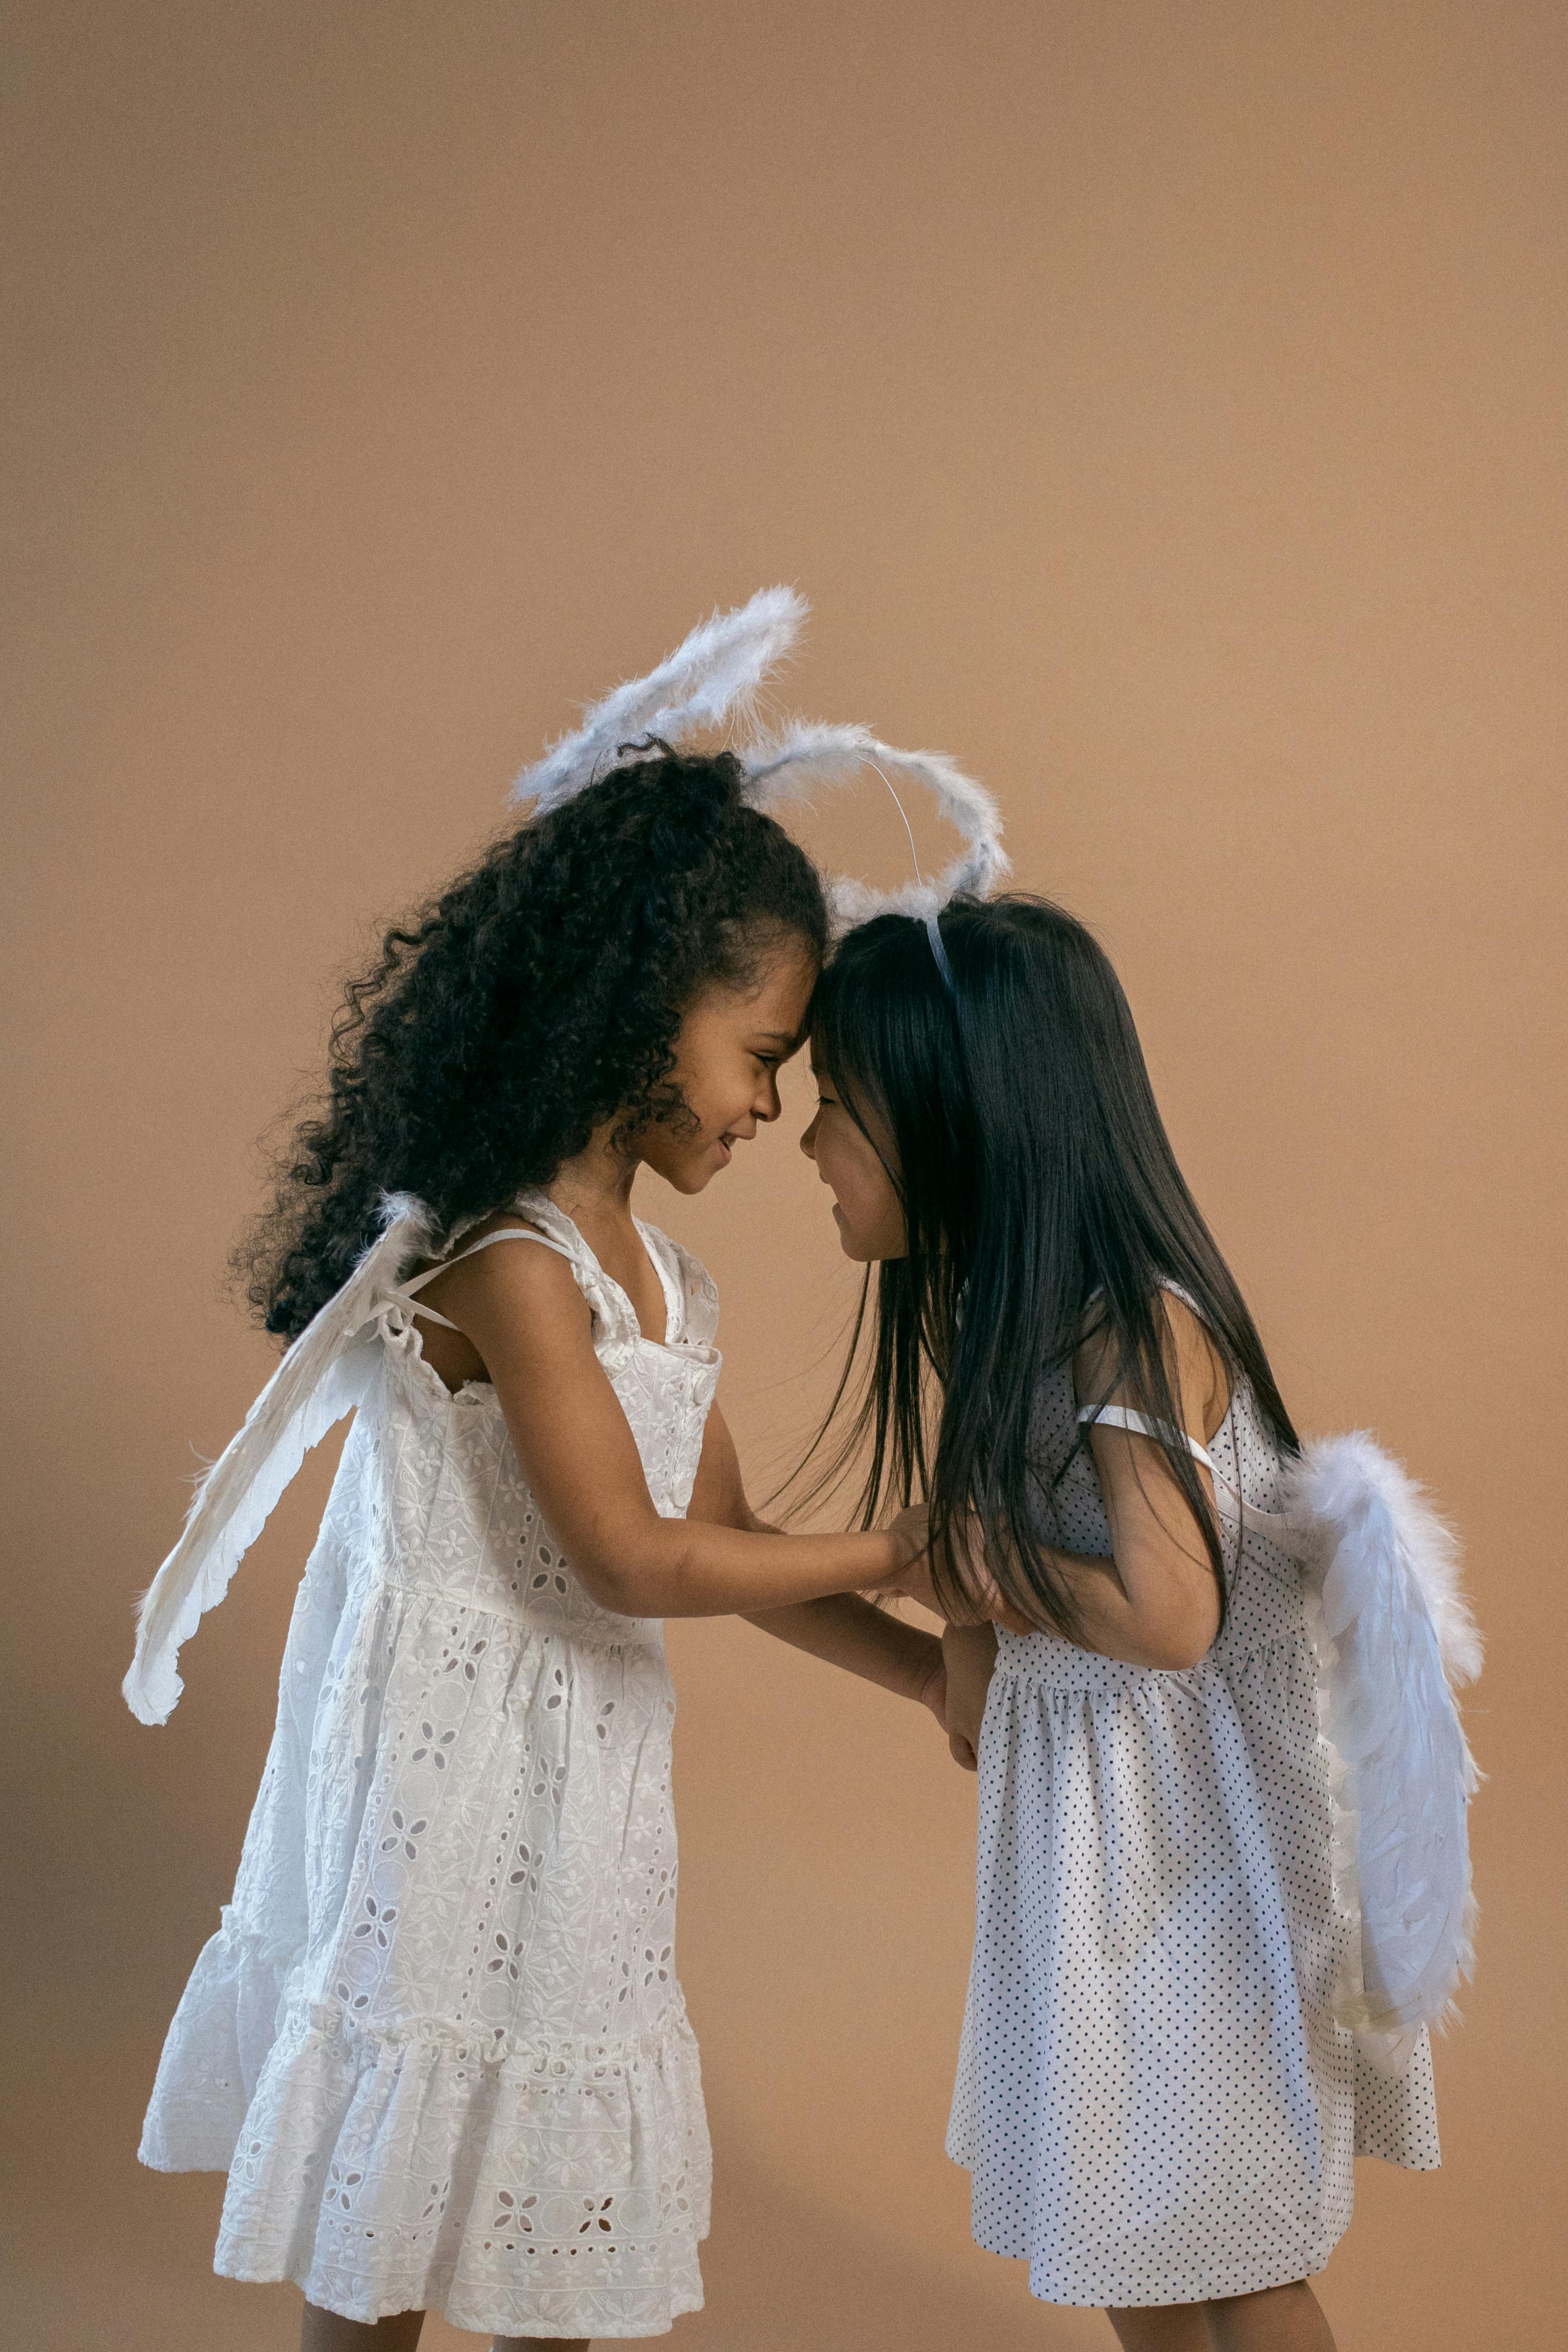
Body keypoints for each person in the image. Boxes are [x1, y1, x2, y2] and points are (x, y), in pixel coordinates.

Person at [124, 744, 949, 2351]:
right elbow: (630, 1558)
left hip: (584, 1808)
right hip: (452, 1801)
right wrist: (906, 1543)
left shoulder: (668, 1285)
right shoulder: (508, 1259)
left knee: (547, 2222)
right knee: (396, 2227)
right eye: (759, 1054)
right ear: (643, 1009)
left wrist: (922, 1672)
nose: (771, 1106)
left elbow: (727, 1542)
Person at [797, 892, 1460, 2352]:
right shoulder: (1005, 1324)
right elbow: (988, 1678)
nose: (807, 1146)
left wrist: (969, 1561)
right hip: (1103, 1851)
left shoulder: (1126, 1320)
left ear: (952, 1116)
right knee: (1126, 2221)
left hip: (1201, 1856)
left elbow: (1167, 1616)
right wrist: (936, 1611)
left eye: (837, 1106)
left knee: (1227, 2237)